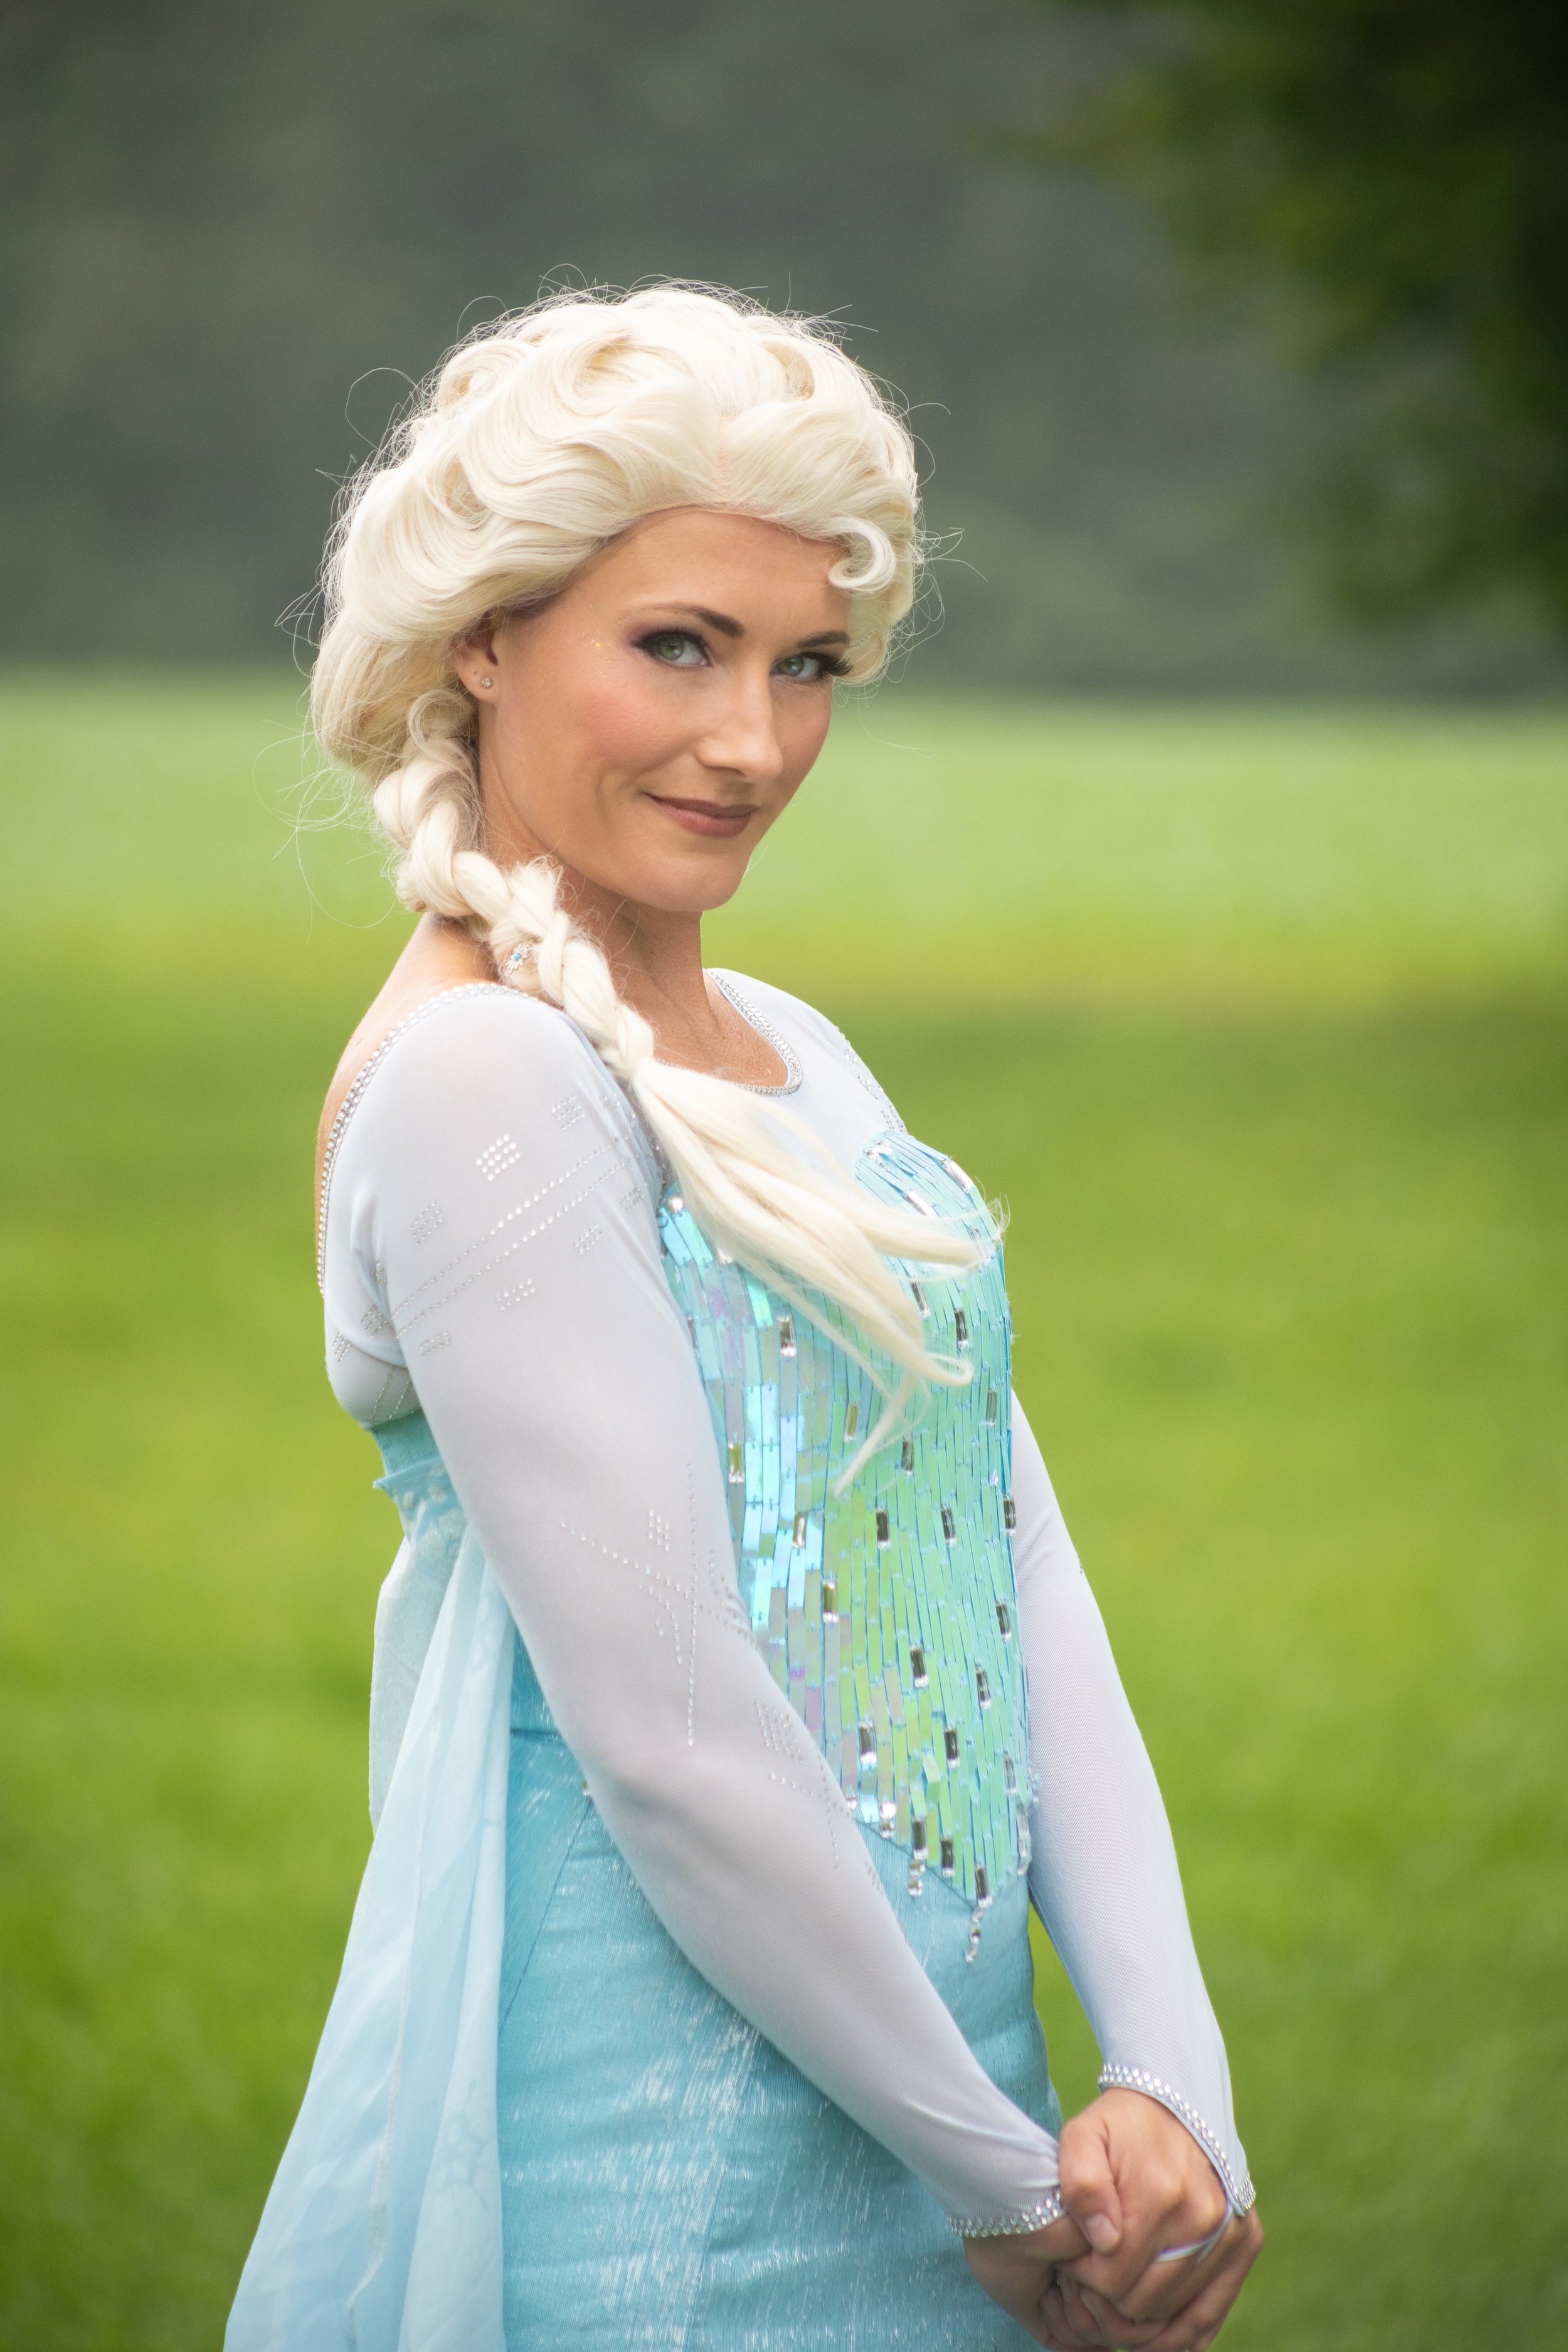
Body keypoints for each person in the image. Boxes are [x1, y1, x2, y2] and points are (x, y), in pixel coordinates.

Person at [226, 284, 1261, 2351]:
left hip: (949, 2107)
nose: (753, 740)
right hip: (668, 2179)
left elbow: (1004, 1554)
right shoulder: (484, 1086)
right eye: (676, 646)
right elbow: (677, 1736)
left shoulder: (792, 1050)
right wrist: (982, 2173)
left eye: (804, 667)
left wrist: (1162, 2071)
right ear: (486, 637)